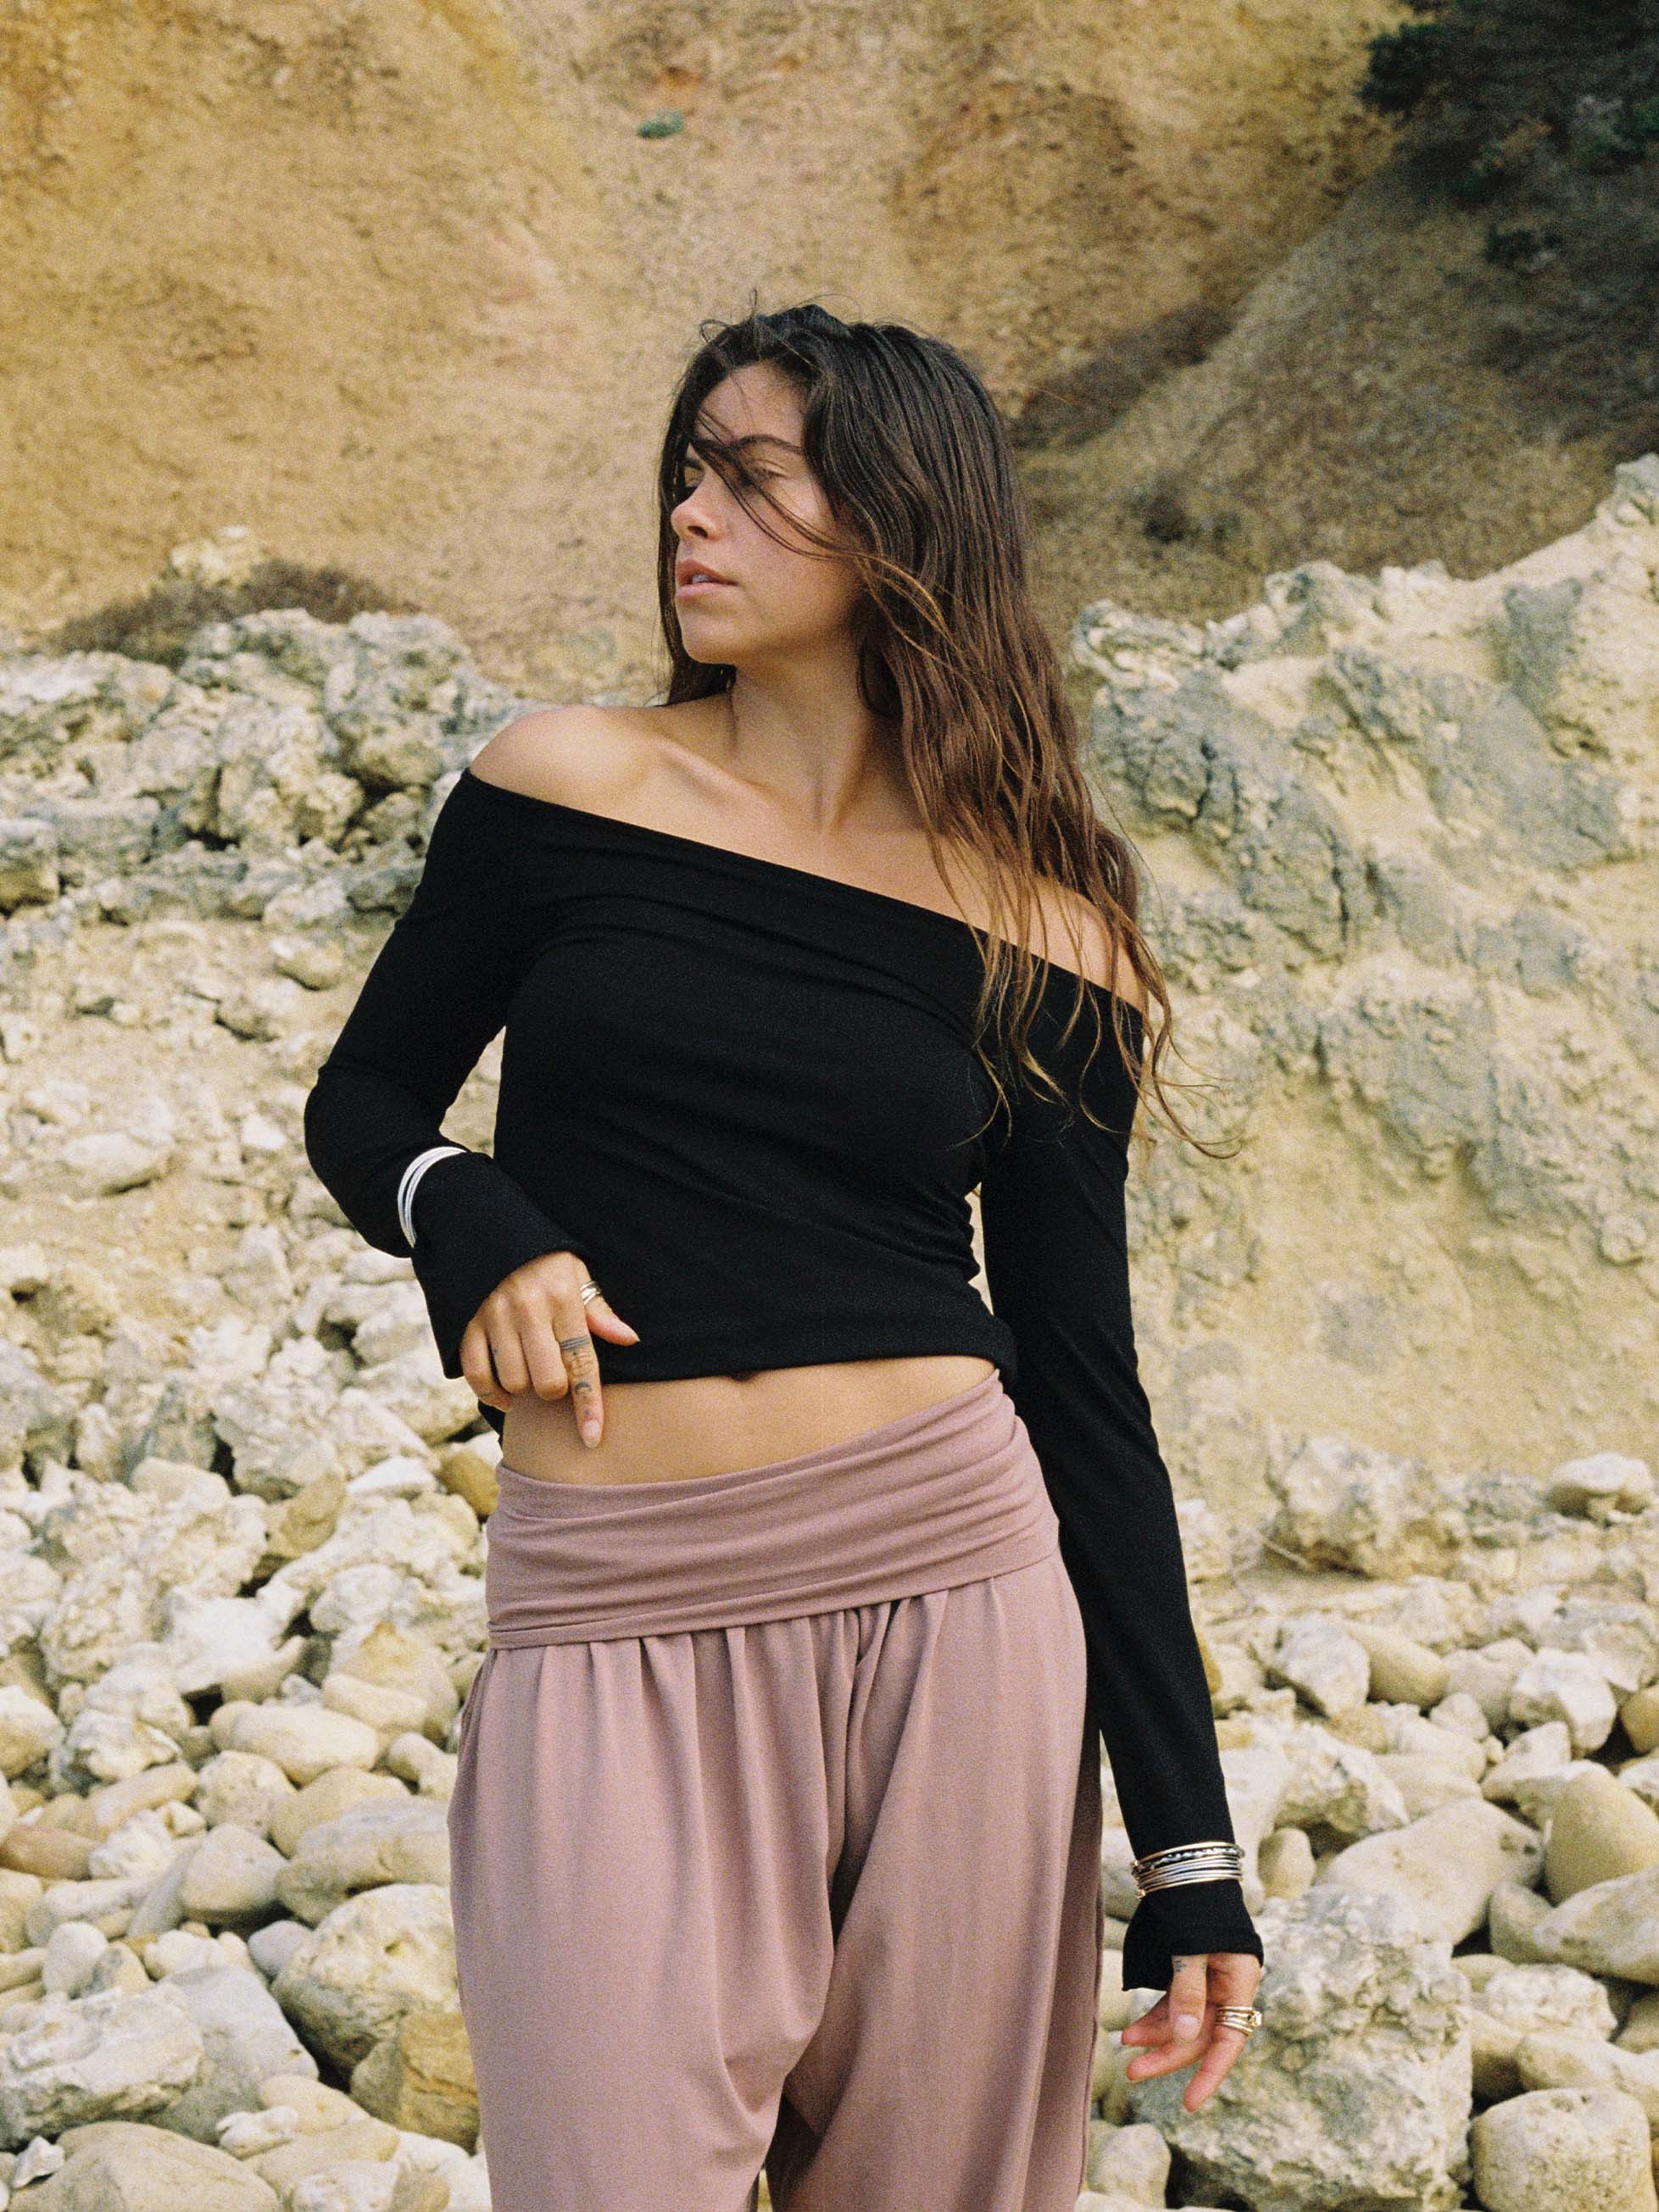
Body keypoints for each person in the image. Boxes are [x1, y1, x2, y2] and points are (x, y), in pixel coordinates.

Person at [303, 303, 1264, 2212]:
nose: (691, 517)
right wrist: (465, 1216)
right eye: (689, 473)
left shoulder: (1045, 924)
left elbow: (1086, 1391)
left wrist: (1189, 1851)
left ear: (900, 520)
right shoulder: (566, 785)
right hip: (612, 1597)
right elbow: (367, 1097)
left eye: (751, 479)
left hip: (953, 1591)